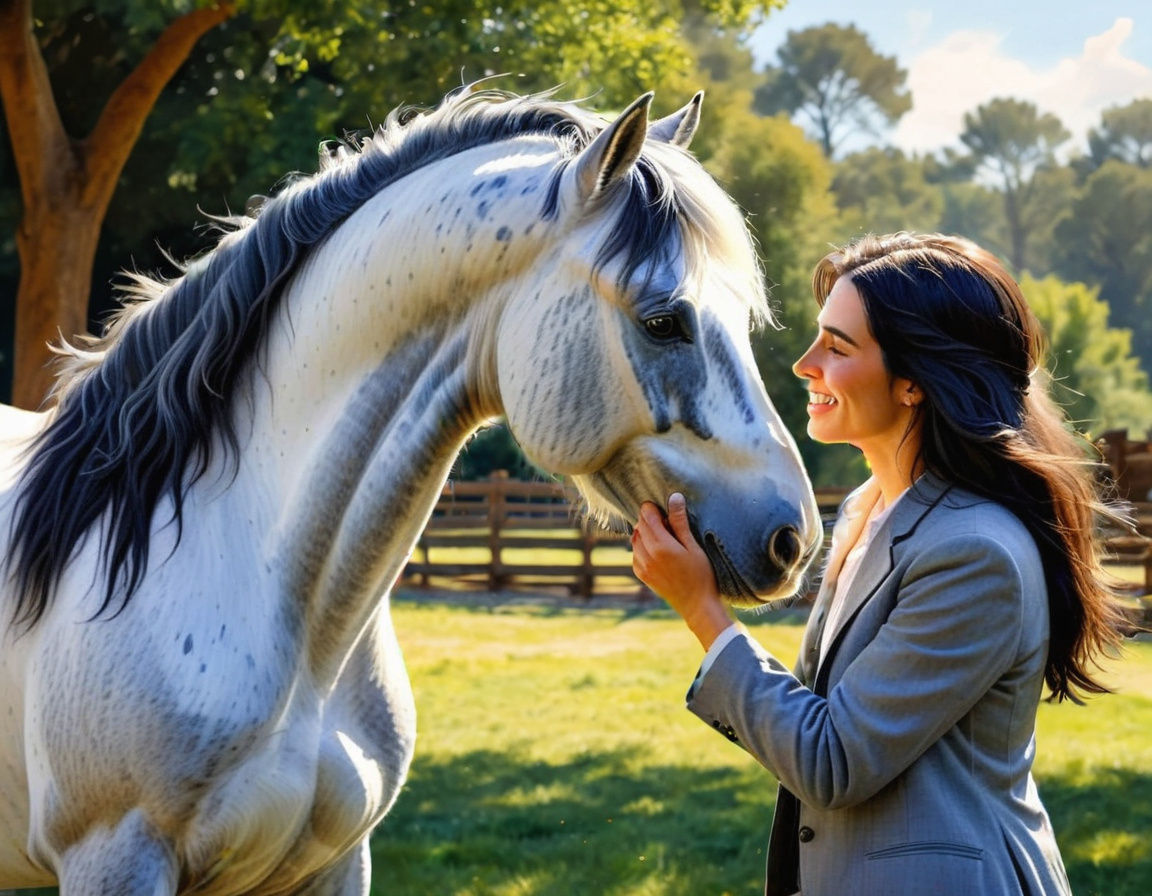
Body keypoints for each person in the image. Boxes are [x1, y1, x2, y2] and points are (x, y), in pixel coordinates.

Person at [631, 232, 1127, 896]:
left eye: (837, 347)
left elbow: (832, 760)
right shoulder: (872, 509)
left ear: (914, 381)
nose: (806, 365)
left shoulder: (972, 552)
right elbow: (821, 714)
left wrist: (703, 611)